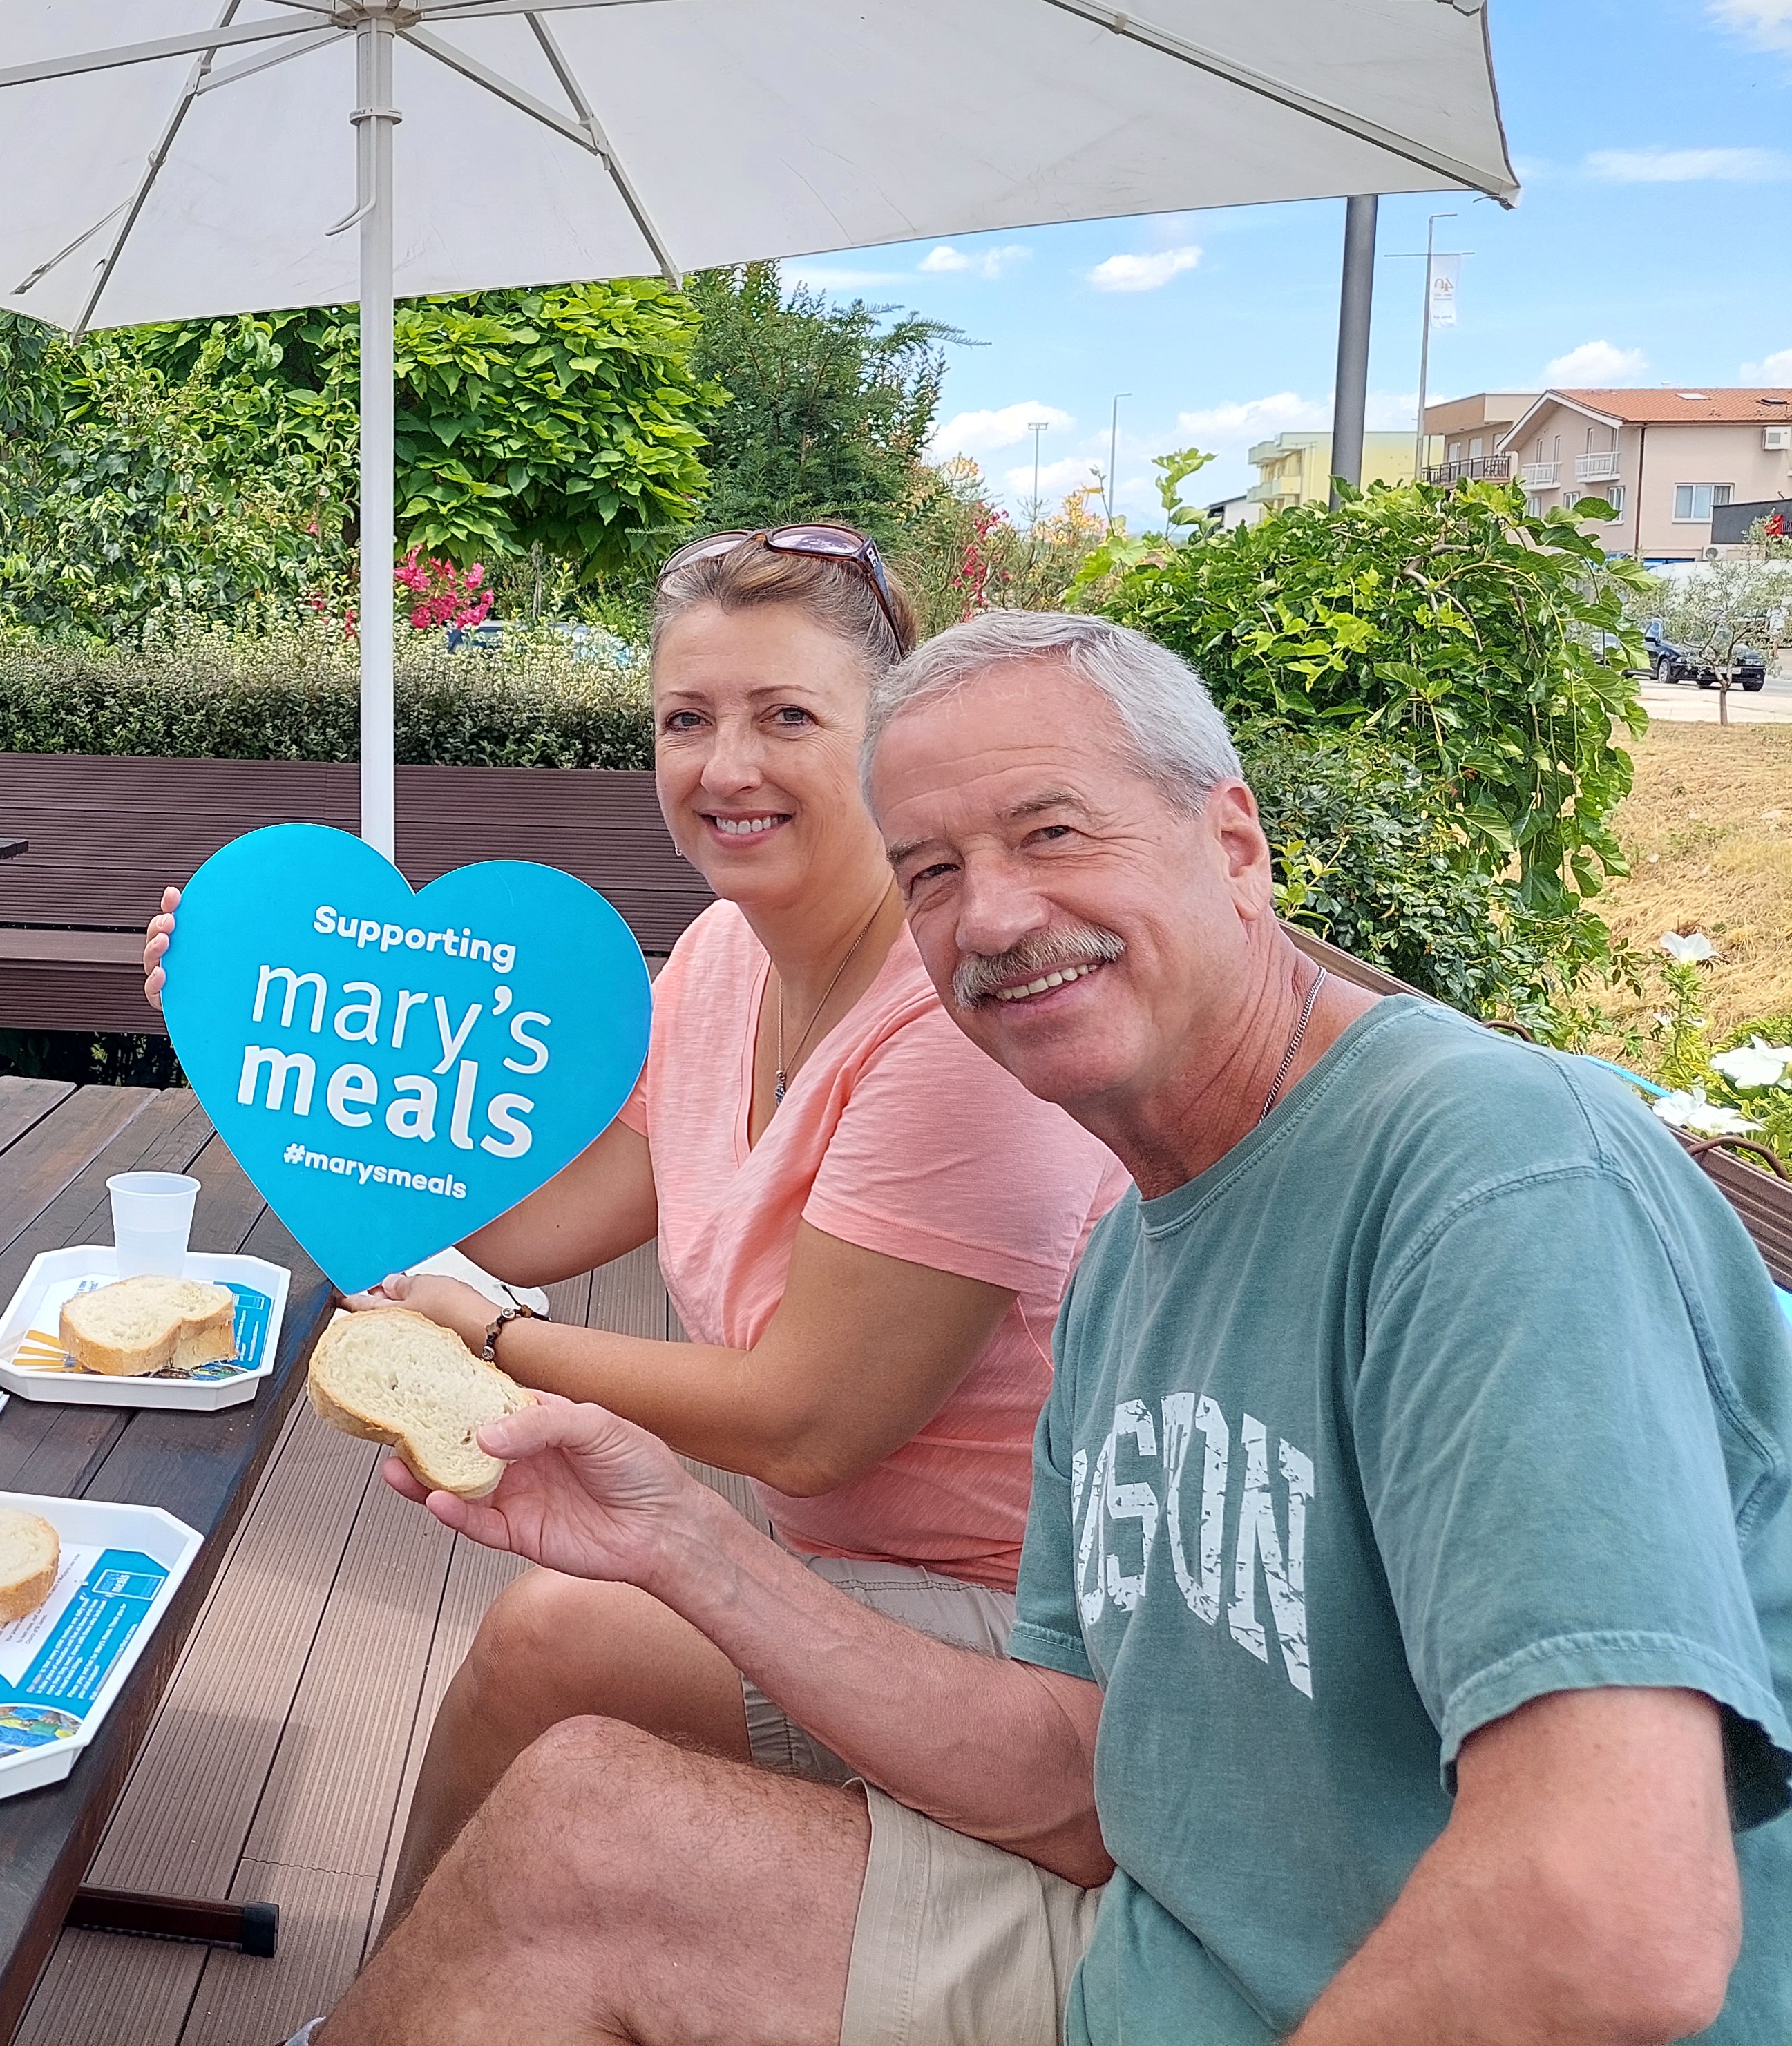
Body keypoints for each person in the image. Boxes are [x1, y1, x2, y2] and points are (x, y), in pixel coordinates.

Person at [322, 609, 1789, 2045]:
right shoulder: (1126, 1258)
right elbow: (1079, 1779)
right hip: (1159, 1945)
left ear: (1231, 845)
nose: (995, 918)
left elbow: (1603, 1926)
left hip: (1369, 1992)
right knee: (574, 1818)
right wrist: (679, 1545)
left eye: (1052, 834)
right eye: (932, 874)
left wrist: (502, 1340)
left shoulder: (1483, 1171)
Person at [147, 529, 1124, 1909]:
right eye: (685, 719)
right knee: (557, 1677)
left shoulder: (950, 1025)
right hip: (836, 1569)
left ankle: (385, 2016)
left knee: (550, 1644)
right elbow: (537, 1221)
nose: (724, 766)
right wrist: (250, 1035)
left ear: (885, 744)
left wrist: (492, 1338)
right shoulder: (726, 958)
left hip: (1026, 1645)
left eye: (785, 716)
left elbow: (805, 1417)